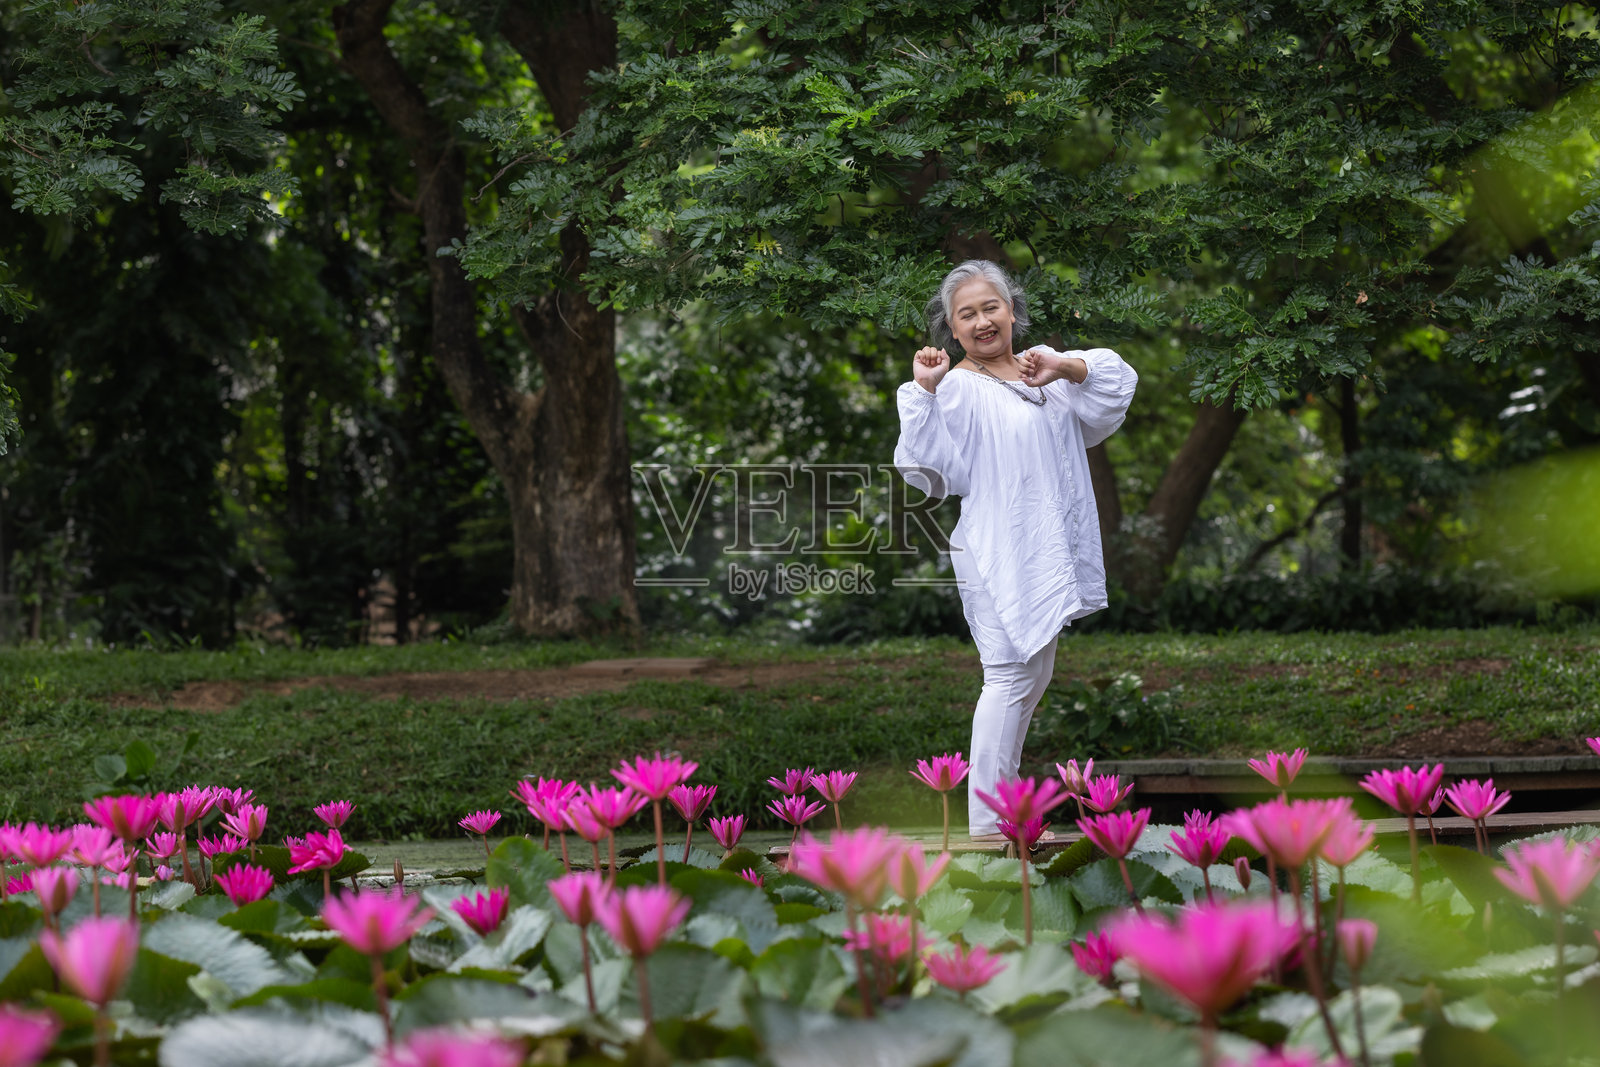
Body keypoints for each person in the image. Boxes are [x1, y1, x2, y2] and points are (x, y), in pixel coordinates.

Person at [893, 260, 1137, 843]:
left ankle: (1005, 817)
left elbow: (1111, 384)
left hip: (1042, 546)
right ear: (951, 330)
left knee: (1034, 673)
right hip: (995, 546)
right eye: (967, 314)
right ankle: (989, 826)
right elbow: (931, 471)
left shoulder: (1043, 371)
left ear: (1011, 311)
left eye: (991, 307)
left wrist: (1061, 366)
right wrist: (927, 392)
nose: (982, 321)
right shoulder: (953, 389)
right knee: (1007, 676)